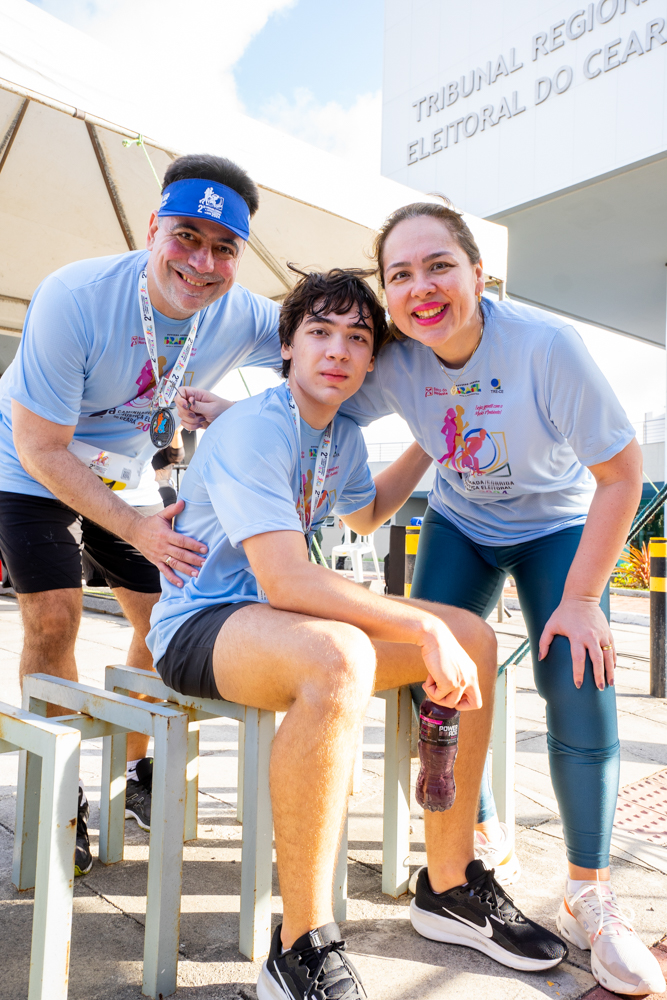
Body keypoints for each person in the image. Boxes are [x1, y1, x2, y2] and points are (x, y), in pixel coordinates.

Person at [154, 267, 567, 1000]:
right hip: (202, 624)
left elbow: (366, 512)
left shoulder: (339, 436)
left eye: (356, 337)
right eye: (319, 332)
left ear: (372, 359)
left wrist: (432, 442)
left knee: (469, 634)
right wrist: (414, 623)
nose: (337, 350)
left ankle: (448, 883)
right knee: (341, 654)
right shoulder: (255, 425)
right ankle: (301, 946)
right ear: (287, 347)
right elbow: (285, 579)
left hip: (283, 626)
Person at [338, 201, 659, 997]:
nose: (421, 286)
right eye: (400, 274)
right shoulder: (395, 360)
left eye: (439, 264)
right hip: (461, 520)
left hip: (554, 524)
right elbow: (313, 402)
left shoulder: (545, 347)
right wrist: (230, 419)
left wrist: (583, 598)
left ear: (480, 274)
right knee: (437, 674)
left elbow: (621, 476)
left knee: (577, 677)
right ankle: (474, 836)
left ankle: (589, 890)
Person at [0, 153, 283, 874]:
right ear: (153, 226)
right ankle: (57, 799)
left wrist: (240, 411)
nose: (202, 262)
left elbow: (328, 355)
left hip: (124, 469)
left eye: (224, 248)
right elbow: (41, 445)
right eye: (185, 236)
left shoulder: (242, 313)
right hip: (31, 459)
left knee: (164, 620)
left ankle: (131, 771)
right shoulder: (77, 295)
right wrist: (136, 528)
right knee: (55, 616)